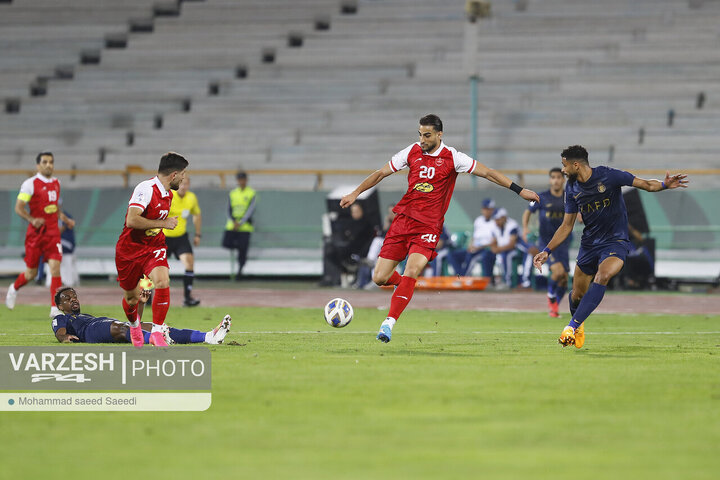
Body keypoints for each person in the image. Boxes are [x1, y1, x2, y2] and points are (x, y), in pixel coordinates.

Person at [340, 114, 539, 342]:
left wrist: (519, 190)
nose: (422, 140)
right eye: (420, 134)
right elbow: (380, 173)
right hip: (403, 221)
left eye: (427, 135)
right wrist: (356, 192)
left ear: (439, 134)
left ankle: (388, 323)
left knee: (411, 270)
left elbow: (488, 172)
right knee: (379, 277)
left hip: (428, 226)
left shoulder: (453, 157)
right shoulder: (411, 151)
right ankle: (406, 286)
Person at [533, 145, 688, 348]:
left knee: (603, 276)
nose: (562, 170)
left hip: (616, 241)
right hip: (589, 245)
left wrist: (664, 184)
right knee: (577, 294)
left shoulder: (609, 176)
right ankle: (578, 325)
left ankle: (571, 326)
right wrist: (546, 250)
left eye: (564, 165)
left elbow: (646, 185)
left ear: (576, 165)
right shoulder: (571, 189)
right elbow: (566, 225)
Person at [115, 152, 188, 348]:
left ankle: (156, 332)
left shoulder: (169, 194)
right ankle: (134, 325)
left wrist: (159, 227)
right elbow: (132, 220)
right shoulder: (146, 188)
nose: (184, 178)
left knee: (162, 281)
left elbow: (153, 226)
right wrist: (163, 223)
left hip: (154, 246)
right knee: (132, 298)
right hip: (129, 250)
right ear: (173, 175)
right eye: (182, 174)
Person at [5, 152, 75, 318]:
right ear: (38, 165)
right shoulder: (30, 184)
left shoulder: (57, 183)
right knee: (31, 273)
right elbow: (19, 207)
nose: (48, 165)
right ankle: (13, 288)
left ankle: (54, 308)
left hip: (52, 234)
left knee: (55, 268)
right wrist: (31, 219)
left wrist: (65, 219)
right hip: (35, 235)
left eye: (51, 162)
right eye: (45, 162)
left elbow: (55, 208)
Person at [52, 286, 231, 345]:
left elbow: (133, 321)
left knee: (154, 326)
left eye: (74, 296)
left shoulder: (85, 315)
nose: (73, 299)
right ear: (60, 306)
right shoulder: (62, 318)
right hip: (92, 332)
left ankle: (208, 337)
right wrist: (64, 337)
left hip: (110, 325)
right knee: (122, 329)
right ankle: (156, 340)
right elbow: (59, 332)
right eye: (67, 298)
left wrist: (142, 303)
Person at [522, 167, 569, 316]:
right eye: (553, 177)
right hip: (546, 243)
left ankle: (554, 306)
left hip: (563, 242)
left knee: (564, 278)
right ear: (550, 180)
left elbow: (577, 214)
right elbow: (527, 212)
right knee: (557, 271)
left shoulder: (569, 197)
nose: (556, 180)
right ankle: (550, 297)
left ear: (563, 180)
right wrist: (525, 228)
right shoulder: (542, 197)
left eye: (559, 177)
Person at [163, 176, 202, 307]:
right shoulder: (168, 195)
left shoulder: (191, 198)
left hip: (181, 237)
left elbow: (197, 214)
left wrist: (197, 234)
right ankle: (147, 296)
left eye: (186, 184)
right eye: (182, 184)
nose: (184, 186)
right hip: (164, 237)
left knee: (189, 264)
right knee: (154, 268)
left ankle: (187, 298)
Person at [320, 203, 375, 286]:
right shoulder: (349, 223)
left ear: (362, 211)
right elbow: (345, 236)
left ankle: (349, 275)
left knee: (337, 251)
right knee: (331, 251)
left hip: (360, 251)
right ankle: (342, 275)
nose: (355, 214)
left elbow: (366, 241)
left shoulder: (367, 224)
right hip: (348, 249)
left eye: (357, 211)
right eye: (353, 212)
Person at [222, 171, 256, 280]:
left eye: (243, 179)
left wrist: (240, 222)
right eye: (239, 179)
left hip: (245, 227)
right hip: (232, 225)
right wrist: (234, 222)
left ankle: (240, 272)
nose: (241, 181)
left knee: (243, 252)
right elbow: (228, 209)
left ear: (246, 180)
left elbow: (250, 210)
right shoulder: (232, 193)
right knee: (226, 243)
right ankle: (240, 247)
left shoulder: (251, 193)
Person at [462, 198, 497, 278]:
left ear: (492, 210)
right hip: (476, 248)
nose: (486, 211)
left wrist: (479, 247)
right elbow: (474, 237)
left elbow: (494, 241)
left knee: (475, 256)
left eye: (488, 209)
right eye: (484, 209)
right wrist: (470, 245)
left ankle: (464, 278)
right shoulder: (478, 220)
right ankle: (458, 276)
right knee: (453, 255)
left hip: (487, 249)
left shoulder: (495, 222)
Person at [489, 208, 524, 288]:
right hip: (501, 249)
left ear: (504, 218)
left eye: (498, 219)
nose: (496, 221)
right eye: (495, 219)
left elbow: (512, 245)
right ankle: (489, 281)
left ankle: (507, 281)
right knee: (487, 255)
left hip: (515, 250)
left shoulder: (512, 225)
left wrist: (497, 249)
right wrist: (494, 249)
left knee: (505, 255)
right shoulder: (494, 225)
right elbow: (493, 242)